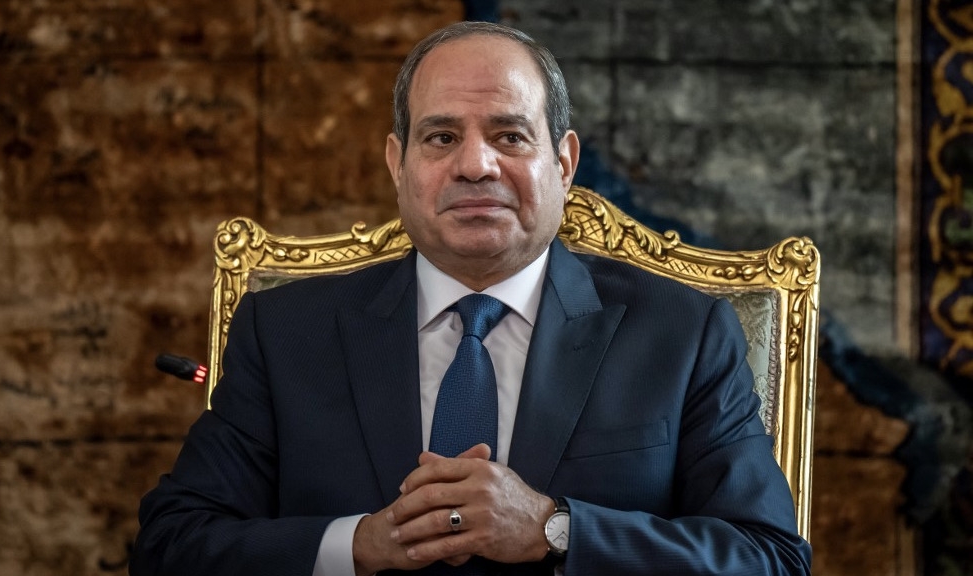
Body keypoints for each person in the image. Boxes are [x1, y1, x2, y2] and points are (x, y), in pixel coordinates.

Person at [131, 21, 812, 576]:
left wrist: (557, 528)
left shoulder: (683, 335)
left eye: (510, 136)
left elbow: (769, 558)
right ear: (399, 164)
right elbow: (172, 548)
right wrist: (358, 546)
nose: (476, 164)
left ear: (565, 162)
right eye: (442, 137)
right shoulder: (285, 334)